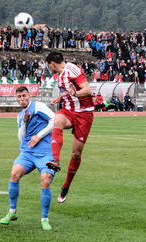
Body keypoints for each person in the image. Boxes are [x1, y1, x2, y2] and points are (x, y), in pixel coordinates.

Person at [0, 86, 55, 231]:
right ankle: (12, 212)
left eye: (24, 96)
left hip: (46, 152)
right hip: (27, 153)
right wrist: (24, 122)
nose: (22, 99)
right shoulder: (19, 116)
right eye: (19, 97)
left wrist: (39, 136)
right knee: (14, 174)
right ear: (16, 99)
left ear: (29, 95)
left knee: (46, 178)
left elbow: (54, 120)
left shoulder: (38, 106)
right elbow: (21, 138)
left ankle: (45, 218)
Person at [45, 51, 94, 204]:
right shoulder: (59, 77)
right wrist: (61, 97)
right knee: (57, 120)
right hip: (68, 110)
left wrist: (76, 93)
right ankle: (55, 160)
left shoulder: (73, 70)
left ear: (52, 63)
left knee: (76, 154)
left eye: (48, 66)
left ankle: (66, 185)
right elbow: (69, 92)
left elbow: (87, 90)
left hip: (84, 114)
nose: (49, 69)